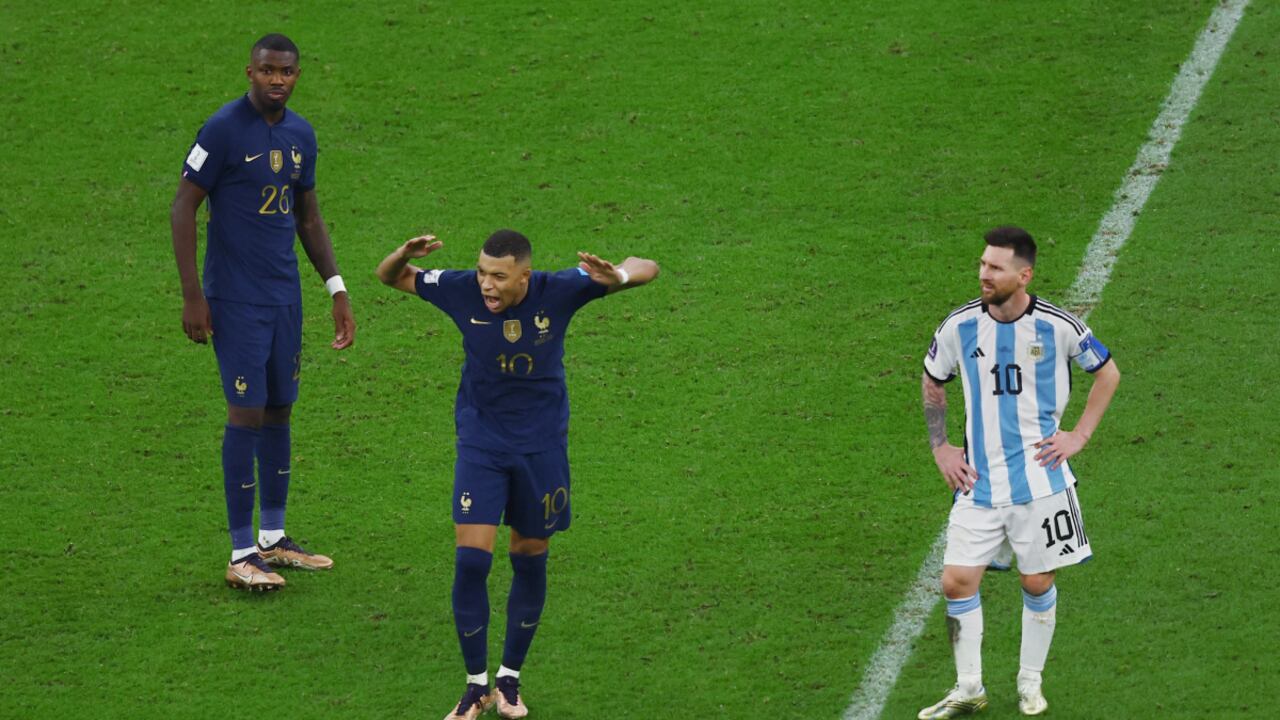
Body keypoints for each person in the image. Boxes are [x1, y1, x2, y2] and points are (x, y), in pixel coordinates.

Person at [376, 229, 658, 720]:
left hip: (542, 448)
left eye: (499, 277)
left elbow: (646, 264)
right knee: (471, 562)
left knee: (529, 558)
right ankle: (474, 686)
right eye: (483, 272)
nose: (487, 284)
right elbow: (391, 277)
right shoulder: (461, 287)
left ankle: (509, 678)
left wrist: (620, 277)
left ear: (524, 276)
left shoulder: (561, 289)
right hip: (482, 444)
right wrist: (403, 254)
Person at [170, 33, 356, 592]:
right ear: (249, 72)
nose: (278, 79)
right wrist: (193, 296)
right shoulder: (222, 129)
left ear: (298, 75)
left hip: (284, 298)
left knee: (279, 410)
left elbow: (307, 218)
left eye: (288, 72)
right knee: (245, 414)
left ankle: (273, 540)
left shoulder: (302, 135)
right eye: (268, 70)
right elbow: (183, 207)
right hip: (235, 298)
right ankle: (239, 552)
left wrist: (337, 289)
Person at [918, 226, 1120, 718]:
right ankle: (969, 688)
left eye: (995, 267)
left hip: (1042, 483)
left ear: (1023, 275)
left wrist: (1079, 436)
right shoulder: (958, 326)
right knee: (956, 581)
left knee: (1036, 583)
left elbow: (1107, 373)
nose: (983, 274)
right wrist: (941, 447)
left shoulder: (1058, 326)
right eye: (983, 264)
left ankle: (1030, 682)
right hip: (978, 483)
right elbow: (932, 380)